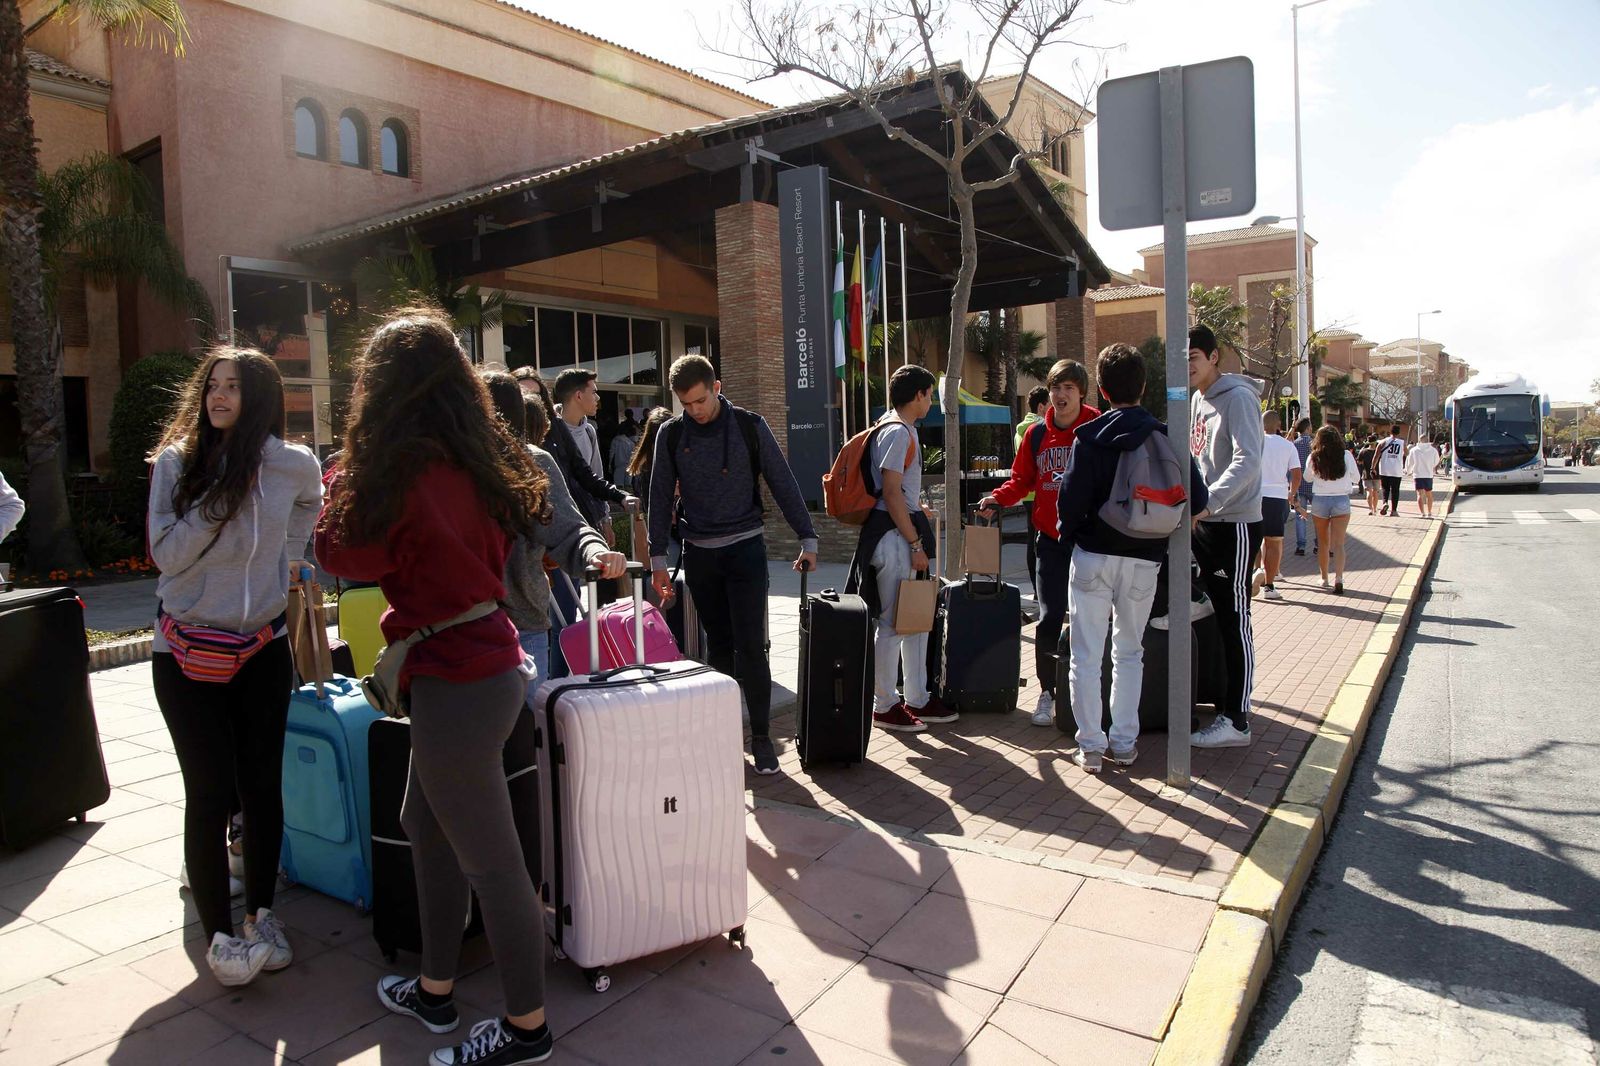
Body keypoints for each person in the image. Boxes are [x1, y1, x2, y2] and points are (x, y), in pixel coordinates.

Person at [318, 310, 559, 1066]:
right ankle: (434, 990)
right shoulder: (476, 455)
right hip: (482, 668)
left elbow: (338, 554)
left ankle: (527, 1030)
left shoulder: (402, 471)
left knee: (492, 863)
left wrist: (341, 476)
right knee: (424, 824)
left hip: (455, 681)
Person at [147, 347, 322, 987]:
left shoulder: (290, 463)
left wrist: (291, 555)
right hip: (187, 651)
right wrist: (221, 497)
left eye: (233, 387)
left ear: (260, 397)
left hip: (262, 649)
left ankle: (264, 917)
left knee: (260, 787)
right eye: (212, 386)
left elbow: (312, 499)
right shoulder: (178, 461)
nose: (219, 397)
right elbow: (165, 555)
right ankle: (220, 936)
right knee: (211, 790)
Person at [647, 355, 818, 775]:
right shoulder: (671, 435)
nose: (695, 411)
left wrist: (807, 537)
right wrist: (657, 559)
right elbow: (659, 495)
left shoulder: (748, 426)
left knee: (752, 647)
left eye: (701, 400)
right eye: (686, 404)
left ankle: (761, 738)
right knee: (718, 650)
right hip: (700, 554)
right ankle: (726, 736)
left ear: (717, 387)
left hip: (745, 550)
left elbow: (782, 481)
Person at [1057, 344, 1208, 773]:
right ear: (1143, 386)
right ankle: (1124, 742)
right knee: (1129, 651)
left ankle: (1090, 746)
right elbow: (1198, 499)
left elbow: (1070, 505)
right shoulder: (1165, 436)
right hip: (1145, 559)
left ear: (1101, 391)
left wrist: (1075, 540)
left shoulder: (1089, 438)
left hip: (1092, 557)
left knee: (1086, 656)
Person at [481, 370, 623, 694]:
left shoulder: (535, 462)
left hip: (523, 622)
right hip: (463, 629)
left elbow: (571, 529)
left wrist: (596, 551)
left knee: (530, 729)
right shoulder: (450, 466)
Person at [979, 359, 1100, 726]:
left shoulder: (1097, 427)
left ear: (1081, 392)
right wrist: (998, 498)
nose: (1061, 395)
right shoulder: (1035, 435)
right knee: (1049, 616)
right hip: (1049, 539)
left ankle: (1089, 696)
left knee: (1090, 620)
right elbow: (1022, 480)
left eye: (1068, 388)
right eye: (1055, 388)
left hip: (1091, 542)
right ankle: (1047, 694)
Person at [844, 364, 956, 733]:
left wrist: (916, 510)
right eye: (929, 395)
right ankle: (885, 704)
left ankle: (917, 698)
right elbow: (890, 493)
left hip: (897, 532)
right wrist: (915, 542)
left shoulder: (898, 429)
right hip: (894, 539)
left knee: (916, 619)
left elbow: (897, 491)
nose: (931, 402)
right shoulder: (897, 433)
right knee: (894, 623)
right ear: (920, 394)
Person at [1186, 324, 1264, 749]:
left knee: (1235, 617)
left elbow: (1248, 459)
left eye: (1193, 357)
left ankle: (1237, 719)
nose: (1188, 366)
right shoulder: (1197, 400)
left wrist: (1209, 503)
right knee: (1212, 610)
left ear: (1214, 356)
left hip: (1232, 524)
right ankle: (1223, 701)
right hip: (1204, 522)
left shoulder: (1237, 398)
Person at [553, 369, 616, 545]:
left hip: (587, 522)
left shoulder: (589, 431)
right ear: (578, 396)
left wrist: (605, 519)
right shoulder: (548, 430)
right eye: (594, 392)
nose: (598, 398)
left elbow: (596, 476)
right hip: (558, 527)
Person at [1302, 426, 1360, 593]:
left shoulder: (1314, 456)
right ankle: (1339, 578)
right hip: (1341, 500)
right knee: (1339, 544)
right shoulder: (1346, 455)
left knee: (1323, 542)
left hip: (1320, 499)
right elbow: (1356, 478)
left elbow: (1307, 477)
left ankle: (1324, 578)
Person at [1253, 411, 1302, 601]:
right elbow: (1296, 473)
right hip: (1277, 496)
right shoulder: (1288, 446)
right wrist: (1291, 493)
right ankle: (1270, 586)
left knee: (1254, 539)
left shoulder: (1254, 441)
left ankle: (1257, 571)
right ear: (1279, 424)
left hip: (1254, 496)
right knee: (1274, 542)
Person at [1014, 385, 1050, 607]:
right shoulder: (1039, 428)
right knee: (1043, 541)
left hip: (1027, 493)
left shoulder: (1020, 430)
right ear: (1041, 406)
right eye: (1050, 404)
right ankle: (1042, 590)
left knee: (1032, 540)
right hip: (1041, 492)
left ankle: (1037, 590)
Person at [1289, 417, 1315, 556]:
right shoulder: (1314, 443)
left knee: (1300, 516)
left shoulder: (1294, 444)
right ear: (1307, 428)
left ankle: (1301, 547)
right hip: (1314, 485)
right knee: (1318, 516)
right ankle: (1318, 544)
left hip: (1298, 485)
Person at [1406, 434, 1442, 519]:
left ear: (1419, 440)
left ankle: (1422, 513)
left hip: (1417, 474)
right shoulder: (1433, 450)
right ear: (1428, 440)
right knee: (1429, 494)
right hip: (1428, 474)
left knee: (1419, 494)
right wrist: (1431, 467)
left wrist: (1408, 471)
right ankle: (1429, 512)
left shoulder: (1414, 450)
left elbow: (1409, 462)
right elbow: (1437, 461)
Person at [1376, 424, 1407, 516]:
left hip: (1385, 469)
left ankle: (1385, 502)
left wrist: (1373, 467)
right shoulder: (1402, 442)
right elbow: (1407, 453)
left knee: (1385, 488)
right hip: (1397, 470)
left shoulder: (1383, 442)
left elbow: (1376, 456)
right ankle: (1394, 511)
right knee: (1395, 490)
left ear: (1390, 432)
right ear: (1399, 432)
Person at [608, 414, 639, 492]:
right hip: (629, 465)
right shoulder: (630, 442)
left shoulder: (615, 440)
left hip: (619, 465)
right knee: (628, 485)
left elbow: (612, 453)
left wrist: (609, 465)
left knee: (619, 487)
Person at [1356, 434, 1381, 516]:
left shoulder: (1363, 451)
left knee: (1369, 492)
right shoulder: (1378, 452)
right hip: (1377, 474)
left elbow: (1359, 461)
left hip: (1366, 474)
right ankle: (1375, 508)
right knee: (1375, 492)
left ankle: (1370, 509)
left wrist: (1363, 463)